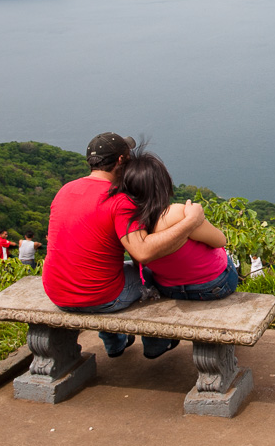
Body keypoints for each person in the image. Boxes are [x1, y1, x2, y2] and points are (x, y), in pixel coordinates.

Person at [43, 132, 204, 359]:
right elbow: (143, 252)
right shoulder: (118, 200)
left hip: (57, 292)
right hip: (100, 298)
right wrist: (191, 222)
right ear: (121, 160)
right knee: (154, 275)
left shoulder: (65, 191)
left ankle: (115, 342)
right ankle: (156, 342)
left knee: (110, 269)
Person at [117, 149, 237, 301]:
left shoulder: (129, 228)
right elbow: (220, 240)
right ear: (162, 184)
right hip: (214, 285)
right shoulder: (177, 213)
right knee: (227, 260)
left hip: (170, 289)